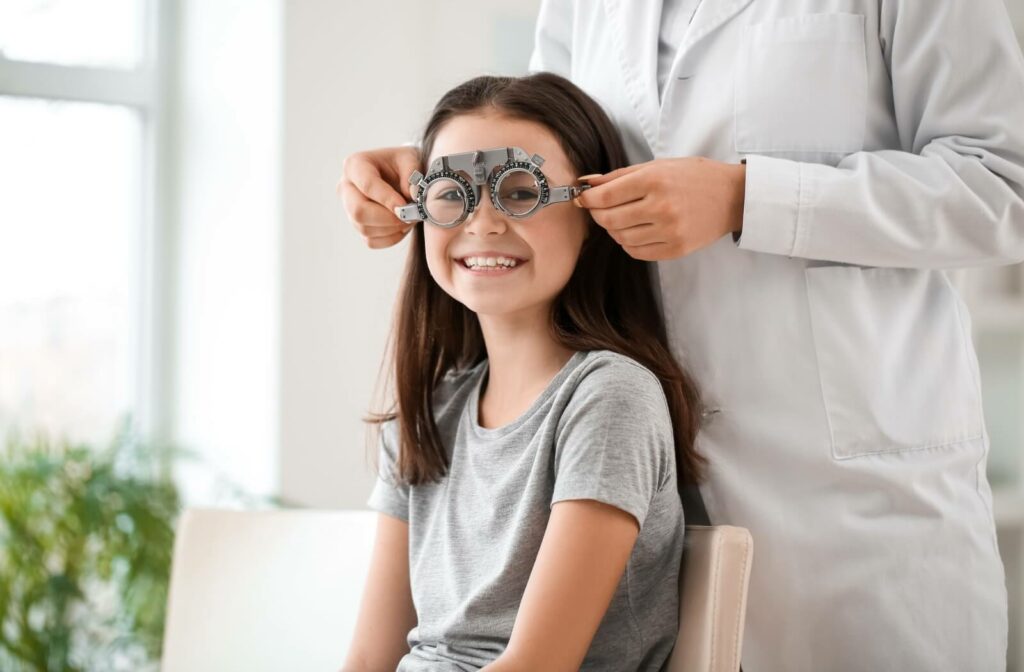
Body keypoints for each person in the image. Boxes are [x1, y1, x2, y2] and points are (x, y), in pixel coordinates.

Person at [341, 2, 1024, 669]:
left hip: (850, 500)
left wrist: (746, 197)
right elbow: (553, 144)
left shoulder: (609, 404)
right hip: (648, 464)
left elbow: (1005, 184)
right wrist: (443, 169)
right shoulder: (440, 411)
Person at [342, 72, 707, 672]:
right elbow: (367, 658)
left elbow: (536, 666)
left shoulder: (610, 398)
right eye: (452, 194)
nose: (482, 224)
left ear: (591, 215)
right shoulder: (431, 409)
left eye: (519, 191)